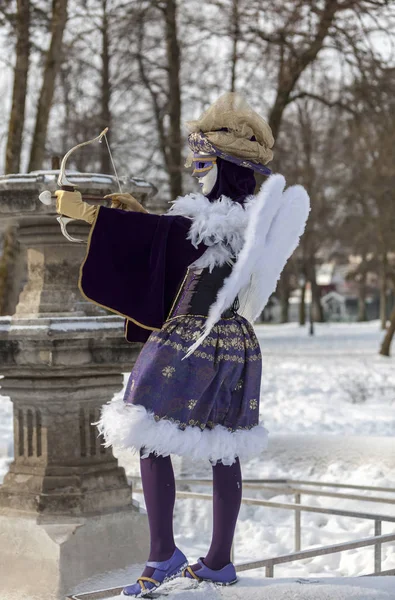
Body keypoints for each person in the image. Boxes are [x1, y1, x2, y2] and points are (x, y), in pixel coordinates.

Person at [55, 92, 310, 597]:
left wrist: (89, 213)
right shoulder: (241, 222)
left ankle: (163, 553)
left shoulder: (222, 222)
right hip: (235, 344)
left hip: (192, 339)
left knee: (150, 432)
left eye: (202, 164)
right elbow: (173, 240)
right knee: (223, 446)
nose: (196, 173)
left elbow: (174, 238)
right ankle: (217, 560)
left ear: (227, 167)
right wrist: (132, 214)